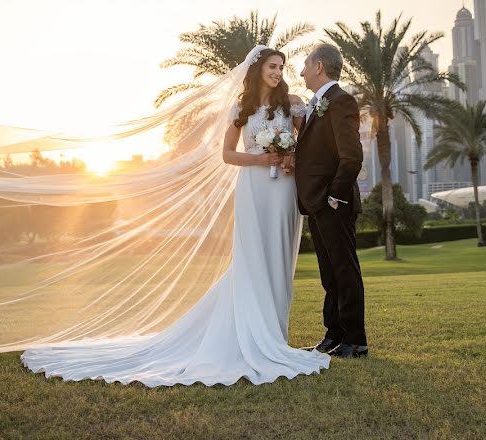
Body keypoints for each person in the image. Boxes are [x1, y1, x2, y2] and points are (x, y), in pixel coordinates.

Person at [18, 46, 330, 385]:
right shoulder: (242, 107)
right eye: (272, 66)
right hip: (254, 188)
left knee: (279, 259)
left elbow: (307, 143)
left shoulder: (294, 103)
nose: (278, 72)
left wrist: (290, 159)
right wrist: (260, 160)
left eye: (281, 67)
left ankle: (274, 336)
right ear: (257, 70)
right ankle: (255, 335)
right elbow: (227, 155)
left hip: (282, 190)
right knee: (253, 259)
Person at [294, 43, 368, 358]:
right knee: (329, 272)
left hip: (333, 203)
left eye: (305, 65)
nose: (301, 71)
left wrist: (334, 197)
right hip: (317, 203)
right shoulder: (317, 104)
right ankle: (333, 334)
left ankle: (355, 339)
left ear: (319, 67)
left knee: (344, 270)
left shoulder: (340, 101)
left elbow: (351, 157)